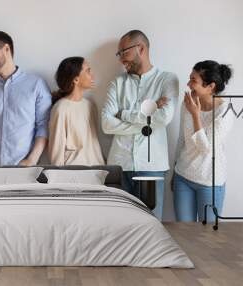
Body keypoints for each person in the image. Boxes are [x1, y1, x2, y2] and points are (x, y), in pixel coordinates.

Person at [101, 30, 179, 220]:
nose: (120, 59)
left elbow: (163, 118)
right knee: (118, 224)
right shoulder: (117, 84)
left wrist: (124, 114)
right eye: (118, 54)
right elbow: (106, 124)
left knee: (150, 226)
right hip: (119, 165)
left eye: (123, 52)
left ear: (140, 48)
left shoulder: (167, 80)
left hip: (151, 166)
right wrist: (148, 116)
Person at [0, 31, 52, 166]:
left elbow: (43, 126)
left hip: (23, 167)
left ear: (7, 49)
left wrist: (32, 160)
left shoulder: (36, 84)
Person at [173, 60, 233, 222]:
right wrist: (175, 168)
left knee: (208, 237)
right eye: (189, 78)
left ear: (210, 86)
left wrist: (195, 115)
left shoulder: (225, 112)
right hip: (183, 176)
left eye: (194, 80)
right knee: (184, 234)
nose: (188, 84)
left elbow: (206, 148)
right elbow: (181, 139)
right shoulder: (187, 104)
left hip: (210, 182)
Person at [48, 57, 104, 165]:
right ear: (76, 79)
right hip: (72, 175)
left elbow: (93, 145)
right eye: (88, 71)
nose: (92, 75)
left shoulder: (90, 105)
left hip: (97, 173)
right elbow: (56, 152)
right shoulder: (60, 109)